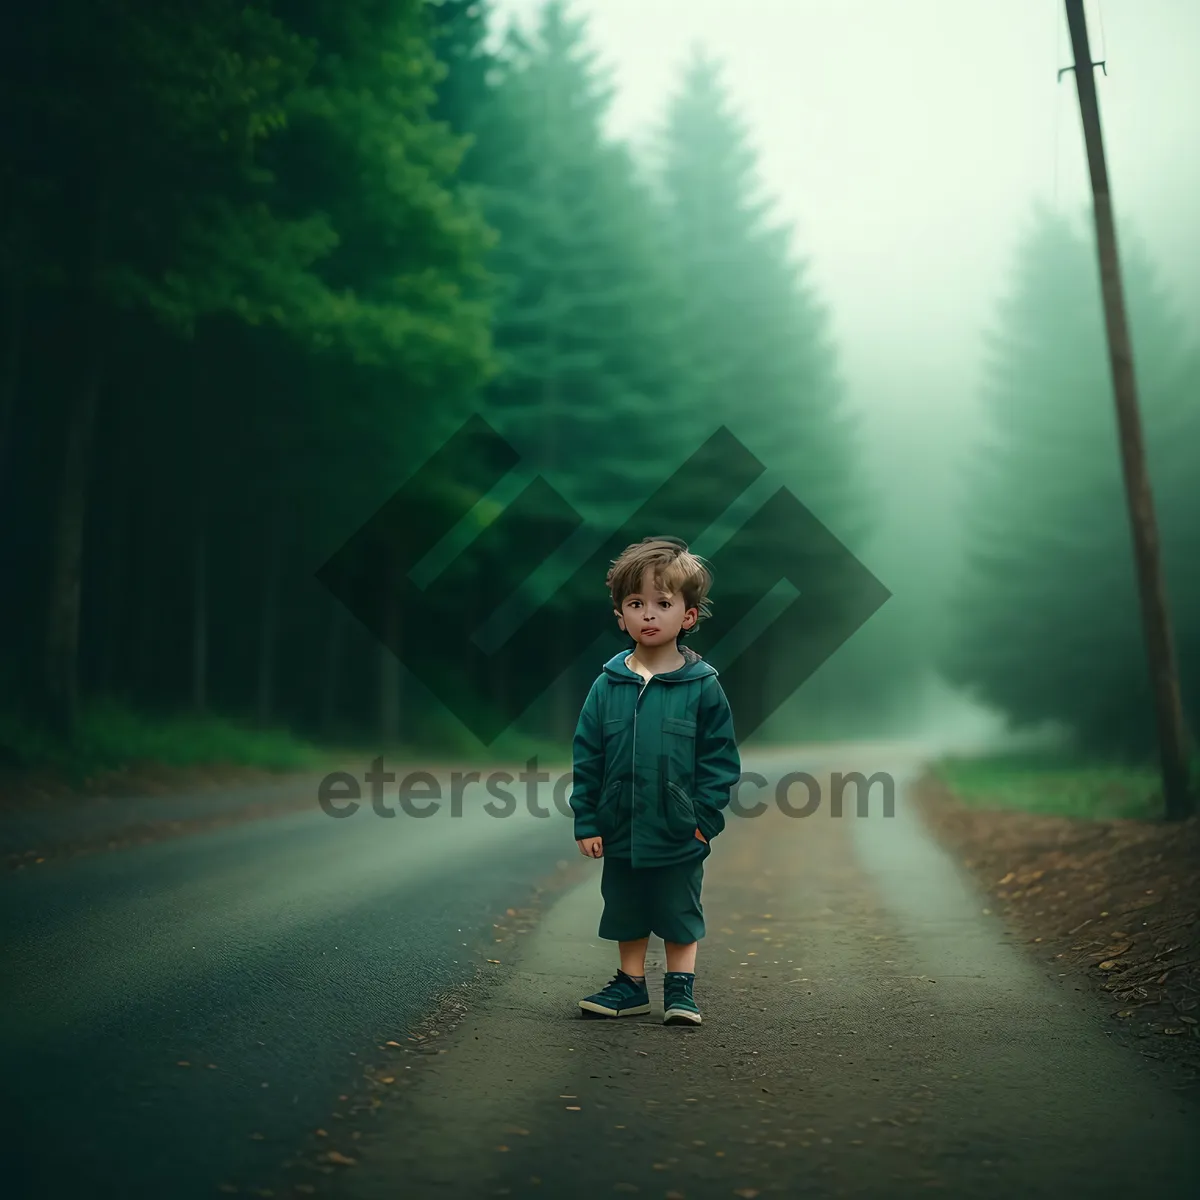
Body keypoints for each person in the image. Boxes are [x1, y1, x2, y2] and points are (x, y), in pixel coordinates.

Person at [568, 536, 741, 1026]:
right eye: (636, 603)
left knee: (678, 906)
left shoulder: (702, 685)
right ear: (621, 615)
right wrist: (588, 820)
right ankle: (630, 985)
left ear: (687, 616)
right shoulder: (608, 684)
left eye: (663, 603)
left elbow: (719, 759)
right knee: (625, 903)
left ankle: (681, 990)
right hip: (619, 822)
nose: (649, 614)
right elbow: (588, 756)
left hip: (678, 826)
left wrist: (703, 821)